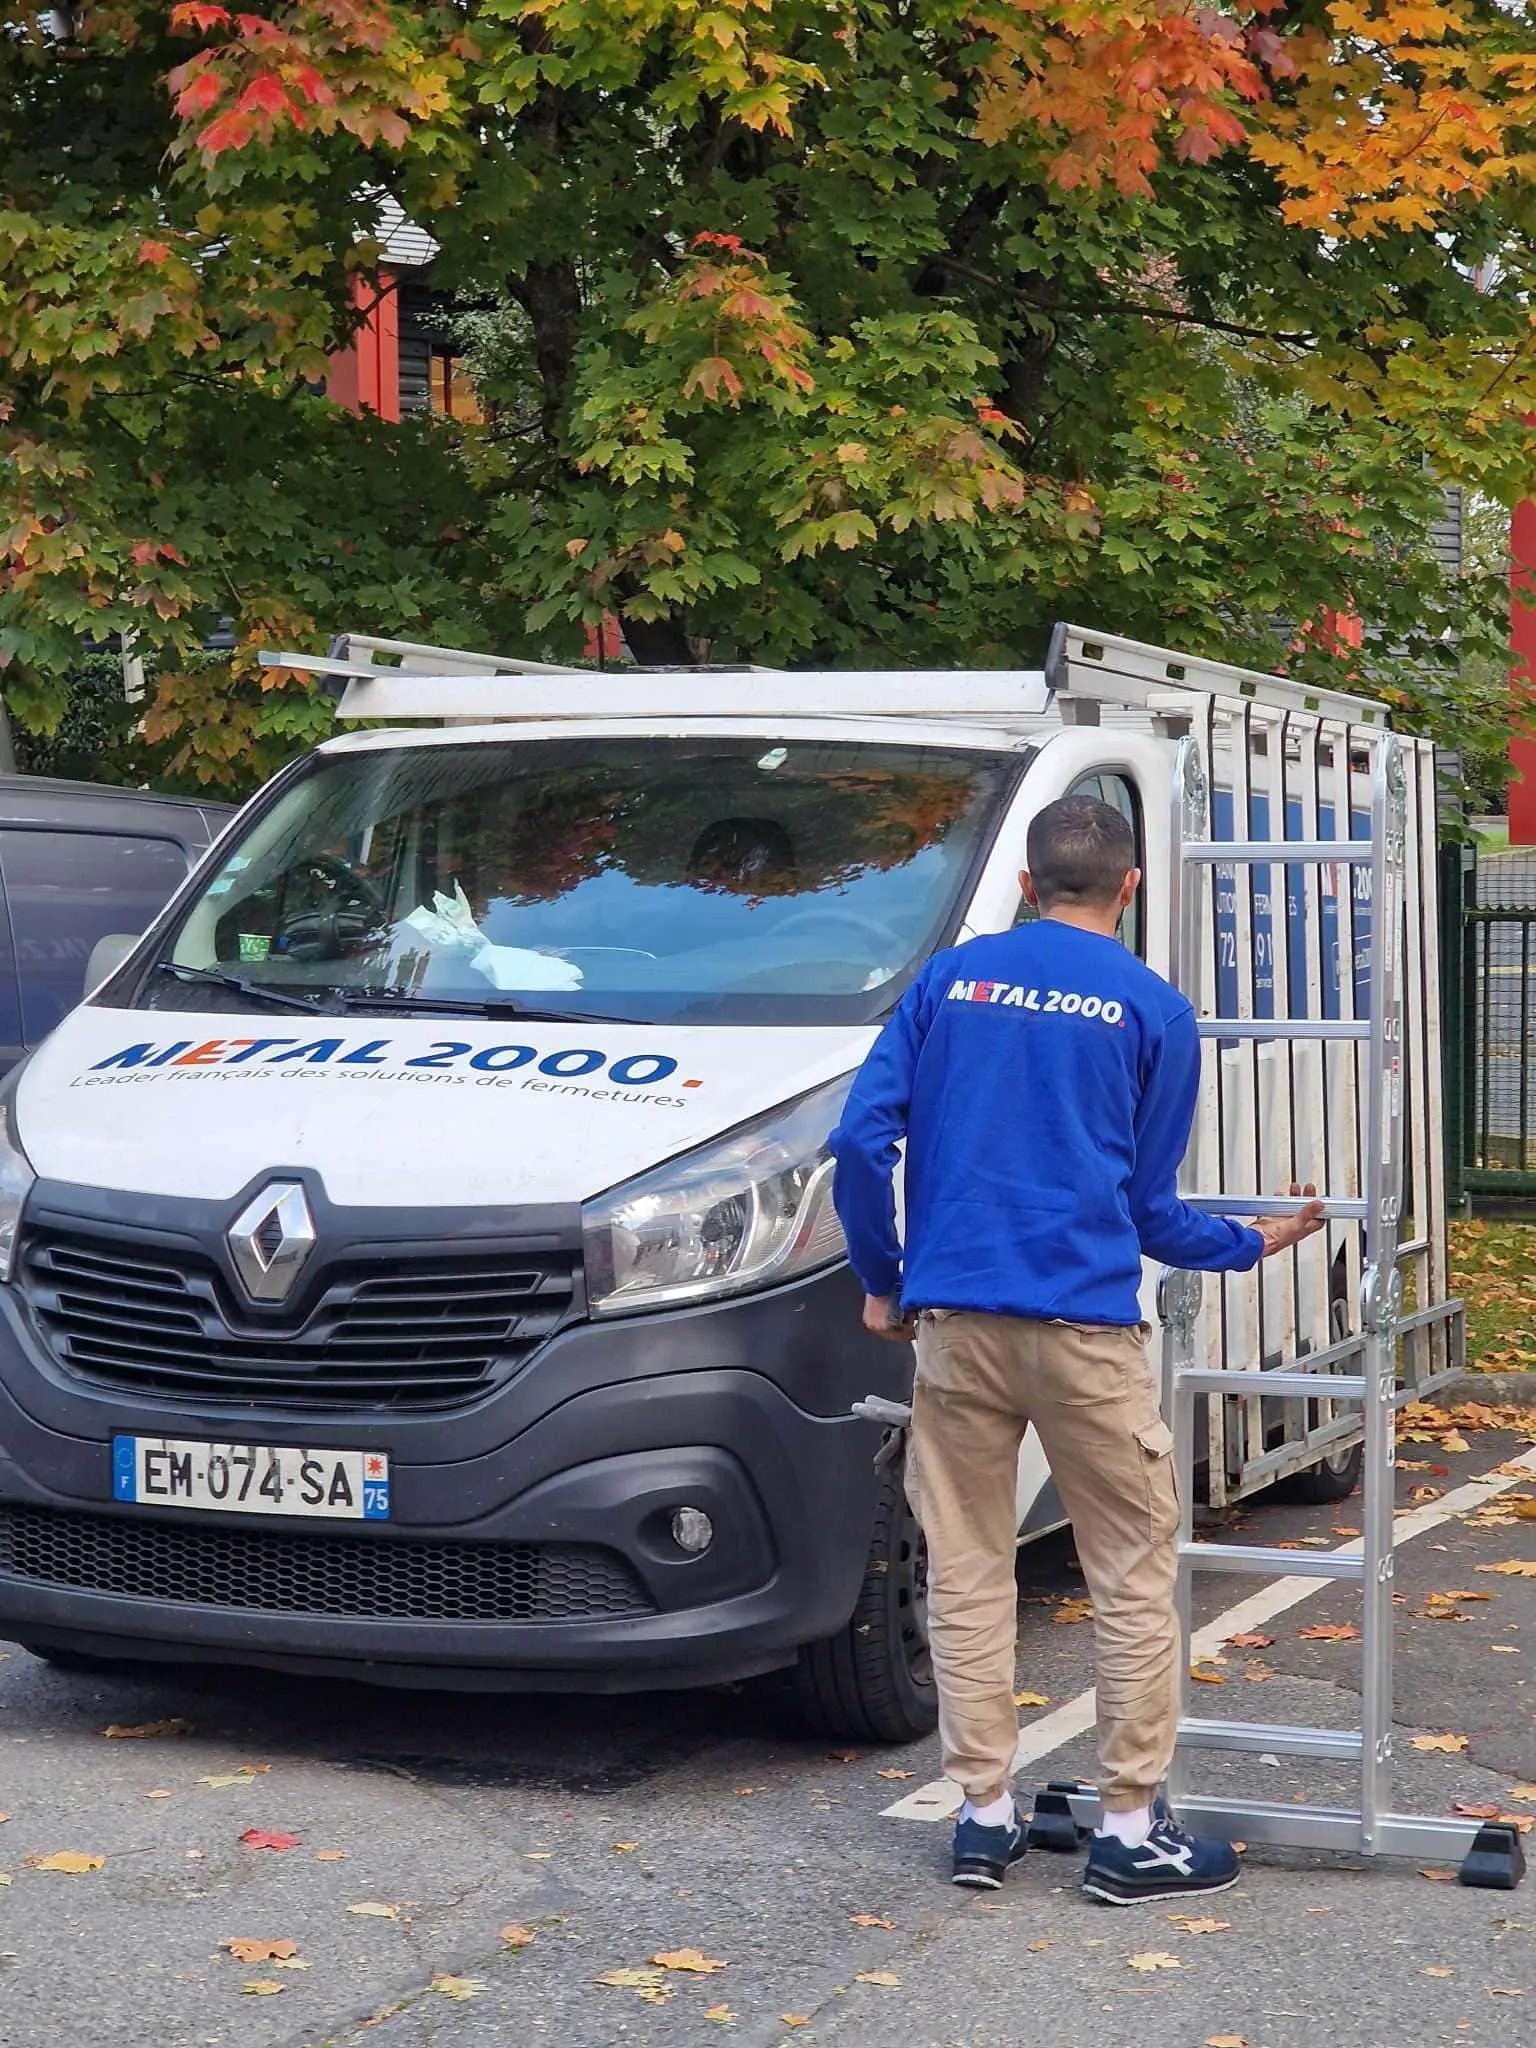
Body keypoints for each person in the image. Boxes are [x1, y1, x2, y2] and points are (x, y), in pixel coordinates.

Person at [829, 794, 1325, 1906]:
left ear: (1022, 883)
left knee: (965, 1567)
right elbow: (1150, 1213)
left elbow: (860, 1141)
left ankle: (982, 1815)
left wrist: (882, 1278)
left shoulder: (950, 982)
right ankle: (1130, 1827)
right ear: (1129, 890)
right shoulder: (1153, 1007)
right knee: (1131, 1573)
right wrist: (1255, 1241)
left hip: (955, 1325)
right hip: (1086, 1331)